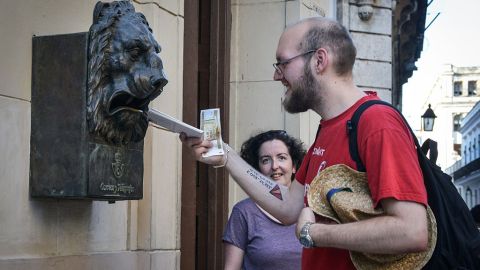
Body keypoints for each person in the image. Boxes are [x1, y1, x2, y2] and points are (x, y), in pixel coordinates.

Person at [180, 17, 429, 270]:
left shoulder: (377, 123)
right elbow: (289, 208)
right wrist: (226, 155)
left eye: (283, 63)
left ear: (319, 60)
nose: (276, 75)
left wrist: (315, 233)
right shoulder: (328, 128)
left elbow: (412, 230)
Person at [223, 130, 306, 270]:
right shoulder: (244, 212)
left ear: (294, 167)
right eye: (266, 160)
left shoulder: (311, 207)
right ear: (257, 169)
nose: (274, 166)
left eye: (281, 158)